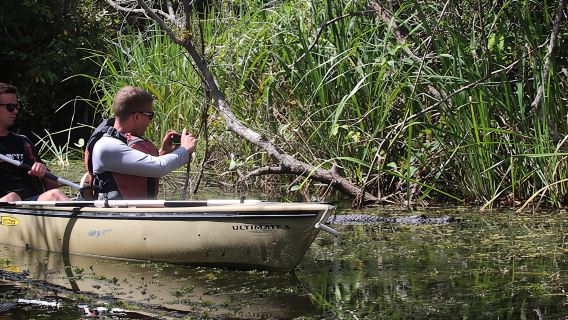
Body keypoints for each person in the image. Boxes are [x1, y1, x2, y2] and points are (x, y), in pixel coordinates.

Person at [86, 86, 198, 200]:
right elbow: (159, 167)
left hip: (135, 212)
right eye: (150, 115)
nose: (151, 120)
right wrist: (185, 149)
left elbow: (135, 164)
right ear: (137, 116)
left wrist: (163, 153)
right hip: (115, 215)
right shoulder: (107, 146)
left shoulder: (120, 142)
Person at [0, 82, 69, 201]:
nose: (15, 111)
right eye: (10, 107)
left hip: (32, 205)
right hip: (6, 206)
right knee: (12, 197)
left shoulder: (23, 142)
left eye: (17, 107)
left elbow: (53, 185)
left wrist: (43, 171)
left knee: (55, 194)